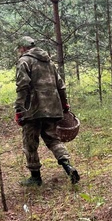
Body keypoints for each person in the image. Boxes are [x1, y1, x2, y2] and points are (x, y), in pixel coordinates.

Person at [14, 36, 80, 186]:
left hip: (32, 111)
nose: (19, 51)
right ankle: (68, 166)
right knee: (53, 139)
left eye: (20, 49)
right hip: (52, 108)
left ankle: (35, 178)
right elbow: (61, 86)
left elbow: (22, 87)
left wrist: (19, 110)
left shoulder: (24, 61)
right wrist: (64, 106)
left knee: (30, 144)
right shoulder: (49, 62)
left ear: (23, 48)